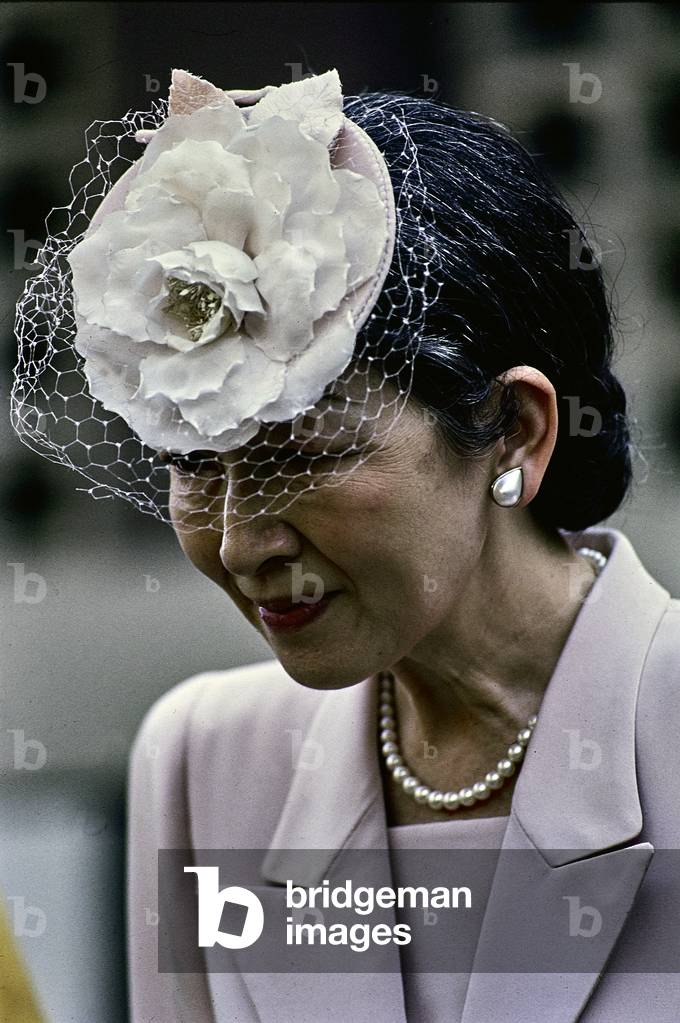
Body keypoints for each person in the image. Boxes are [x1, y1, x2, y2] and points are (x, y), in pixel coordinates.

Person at [13, 68, 680, 1022]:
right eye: (195, 462)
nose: (242, 541)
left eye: (297, 455)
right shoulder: (209, 761)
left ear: (517, 429)